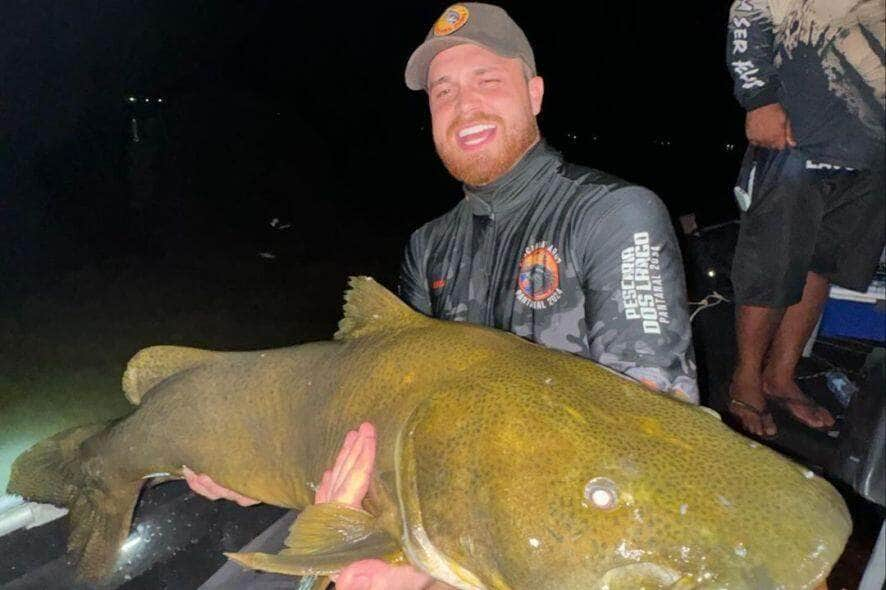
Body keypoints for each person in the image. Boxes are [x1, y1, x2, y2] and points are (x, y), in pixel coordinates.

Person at [187, 3, 699, 587]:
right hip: (429, 517)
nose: (464, 106)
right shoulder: (429, 245)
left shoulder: (614, 214)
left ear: (533, 94)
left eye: (488, 81)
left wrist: (432, 577)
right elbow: (386, 416)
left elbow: (656, 461)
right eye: (443, 92)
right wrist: (263, 468)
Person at [725, 0, 885, 437]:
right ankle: (745, 378)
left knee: (823, 264)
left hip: (871, 148)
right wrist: (758, 98)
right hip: (796, 140)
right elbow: (749, 15)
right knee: (770, 264)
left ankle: (780, 377)